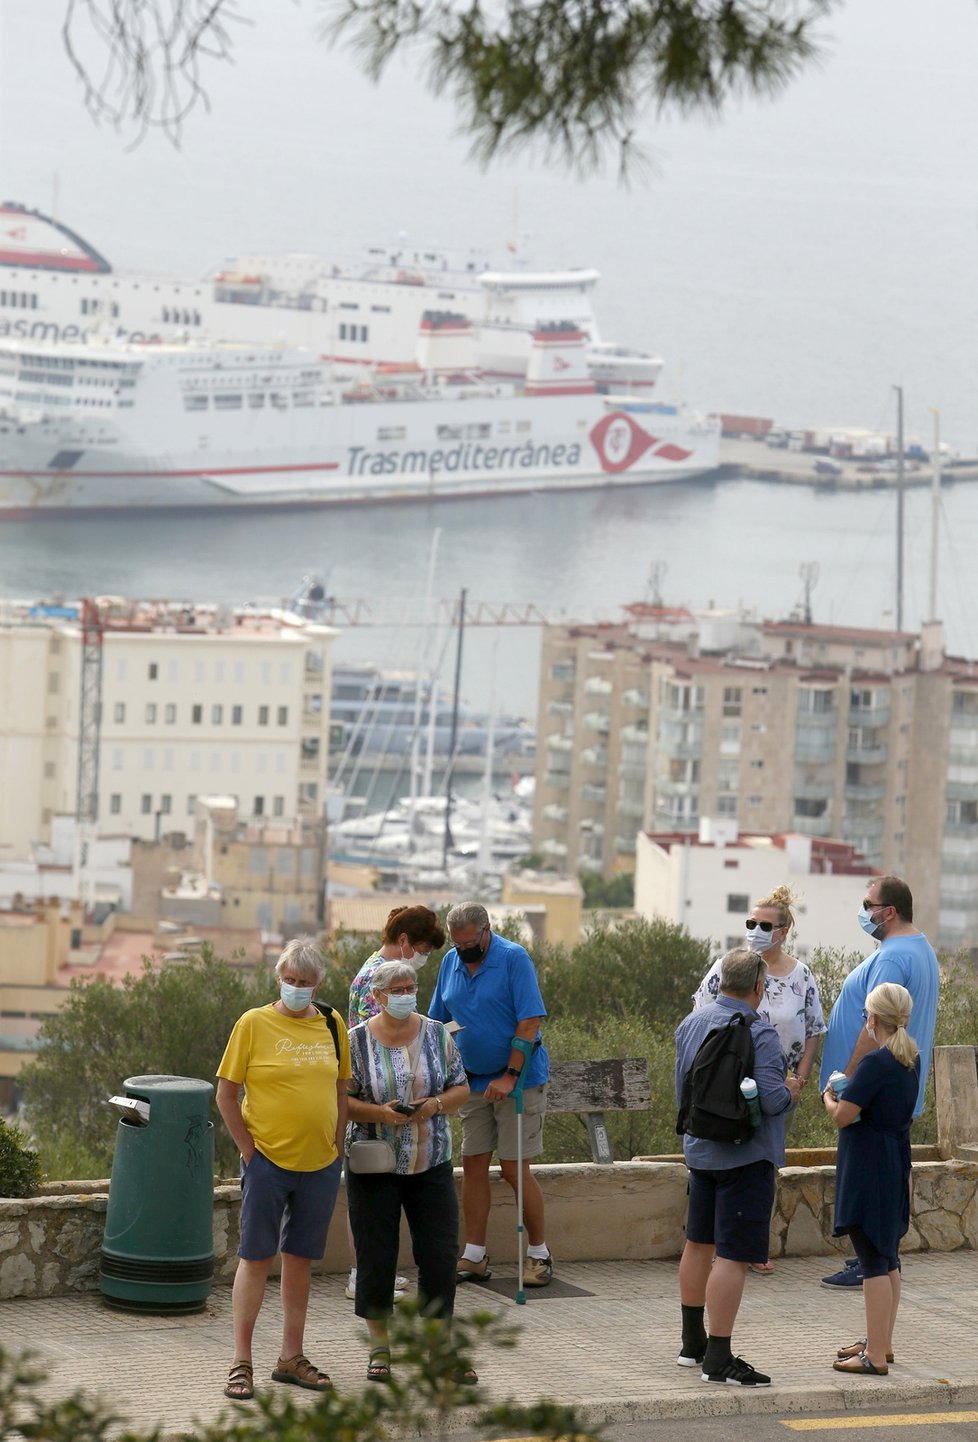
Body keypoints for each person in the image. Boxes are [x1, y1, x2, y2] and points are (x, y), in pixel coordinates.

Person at [216, 937, 350, 1402]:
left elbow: (340, 1089)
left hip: (320, 1164)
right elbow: (226, 1094)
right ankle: (241, 1361)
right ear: (278, 979)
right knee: (255, 1258)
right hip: (268, 1161)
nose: (297, 988)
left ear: (317, 984)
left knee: (300, 1260)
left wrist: (337, 1145)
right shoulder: (253, 1024)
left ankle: (290, 1356)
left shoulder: (333, 1023)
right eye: (289, 980)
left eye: (305, 983)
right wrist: (249, 1151)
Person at [675, 947, 802, 1387]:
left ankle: (691, 1345)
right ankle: (719, 1357)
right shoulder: (760, 1033)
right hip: (745, 1157)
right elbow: (770, 1100)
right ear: (758, 987)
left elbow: (682, 1090)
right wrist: (790, 1090)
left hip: (700, 1152)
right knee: (732, 1256)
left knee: (698, 1244)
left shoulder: (690, 1024)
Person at [346, 960, 471, 1382]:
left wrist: (433, 1105)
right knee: (376, 1257)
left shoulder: (438, 1033)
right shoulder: (356, 1042)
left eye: (410, 986)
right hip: (374, 1165)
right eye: (396, 988)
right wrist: (380, 1113)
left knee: (438, 1258)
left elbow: (461, 1086)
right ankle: (379, 1348)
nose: (405, 994)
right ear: (377, 996)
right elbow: (342, 1101)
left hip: (430, 1161)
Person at [693, 883, 826, 1273]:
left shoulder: (802, 976)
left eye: (765, 925)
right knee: (724, 1157)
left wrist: (800, 1079)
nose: (755, 930)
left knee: (764, 1163)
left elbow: (815, 1028)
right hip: (726, 1084)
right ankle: (719, 1244)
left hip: (777, 1089)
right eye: (752, 922)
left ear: (784, 932)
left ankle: (753, 1244)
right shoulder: (728, 967)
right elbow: (700, 1015)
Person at [818, 875, 939, 1290]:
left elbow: (874, 1026)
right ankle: (882, 1258)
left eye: (867, 904)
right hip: (899, 1084)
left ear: (888, 912)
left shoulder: (891, 958)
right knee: (889, 1169)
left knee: (867, 1175)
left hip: (872, 1090)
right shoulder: (920, 948)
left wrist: (849, 1082)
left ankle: (867, 1260)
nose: (862, 910)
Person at [428, 901, 553, 1287]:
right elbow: (438, 1021)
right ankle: (474, 1255)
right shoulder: (450, 962)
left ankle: (539, 1254)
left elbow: (529, 1019)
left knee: (515, 1168)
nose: (463, 950)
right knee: (473, 1164)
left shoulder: (513, 958)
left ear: (486, 930)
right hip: (473, 1081)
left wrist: (511, 1075)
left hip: (519, 1080)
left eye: (469, 942)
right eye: (457, 943)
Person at [346, 905, 446, 1301]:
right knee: (374, 1206)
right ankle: (365, 1275)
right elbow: (380, 1039)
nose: (422, 958)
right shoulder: (379, 977)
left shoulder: (372, 966)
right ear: (403, 940)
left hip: (390, 1109)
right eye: (421, 948)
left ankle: (370, 1272)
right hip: (381, 1110)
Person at [823, 983, 919, 1376]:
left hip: (869, 1167)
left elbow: (844, 1114)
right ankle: (882, 1342)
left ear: (873, 1020)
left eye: (865, 1016)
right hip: (893, 1162)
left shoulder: (876, 1062)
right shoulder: (910, 1058)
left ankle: (875, 1356)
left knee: (872, 1261)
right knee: (887, 1257)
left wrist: (827, 1095)